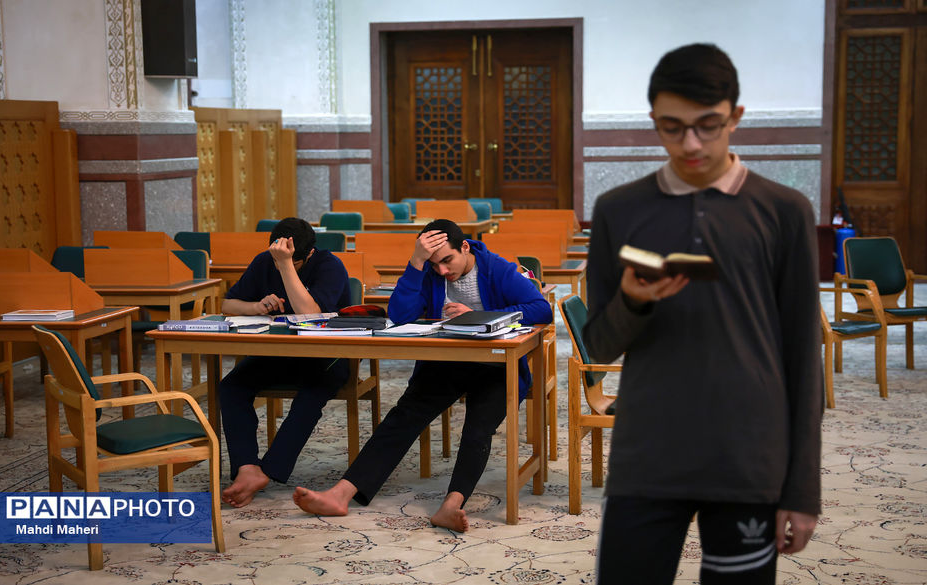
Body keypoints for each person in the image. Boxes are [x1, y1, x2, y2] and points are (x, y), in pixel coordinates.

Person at [583, 44, 822, 583]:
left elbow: (804, 356)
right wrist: (634, 302)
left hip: (748, 458)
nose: (690, 144)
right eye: (672, 127)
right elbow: (597, 345)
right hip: (648, 455)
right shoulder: (619, 210)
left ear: (735, 117)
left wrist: (802, 489)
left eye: (708, 125)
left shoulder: (784, 211)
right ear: (653, 121)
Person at [292, 219, 552, 531]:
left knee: (478, 428)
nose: (442, 270)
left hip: (497, 366)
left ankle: (451, 506)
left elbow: (541, 308)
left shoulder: (496, 269)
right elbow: (400, 316)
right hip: (445, 363)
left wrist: (481, 317)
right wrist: (416, 263)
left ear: (464, 247)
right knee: (403, 416)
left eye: (447, 260)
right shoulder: (428, 271)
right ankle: (340, 495)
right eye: (433, 263)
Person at [219, 217, 351, 508]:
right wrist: (256, 306)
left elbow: (311, 316)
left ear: (309, 254)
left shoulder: (329, 265)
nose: (277, 264)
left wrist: (286, 266)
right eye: (276, 257)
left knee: (310, 397)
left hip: (328, 356)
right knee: (231, 387)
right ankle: (246, 467)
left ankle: (268, 470)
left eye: (292, 261)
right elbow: (228, 305)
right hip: (278, 352)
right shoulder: (264, 260)